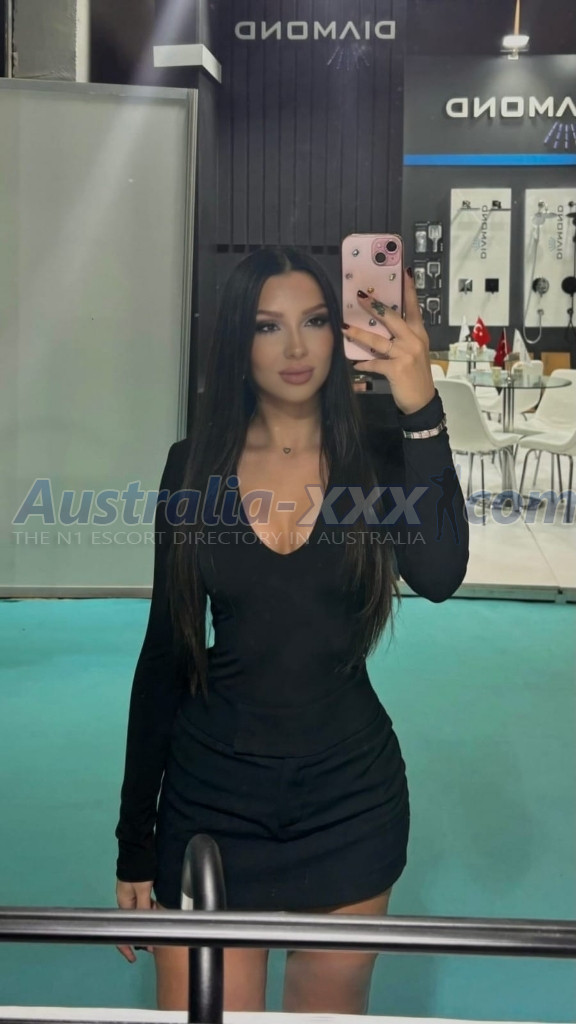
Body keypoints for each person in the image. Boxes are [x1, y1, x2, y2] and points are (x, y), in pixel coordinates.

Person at [114, 246, 469, 1014]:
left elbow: (440, 575)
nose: (297, 347)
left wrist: (420, 407)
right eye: (268, 326)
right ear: (237, 343)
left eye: (314, 321)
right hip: (212, 802)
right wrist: (133, 839)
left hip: (349, 802)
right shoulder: (191, 468)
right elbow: (166, 652)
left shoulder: (377, 457)